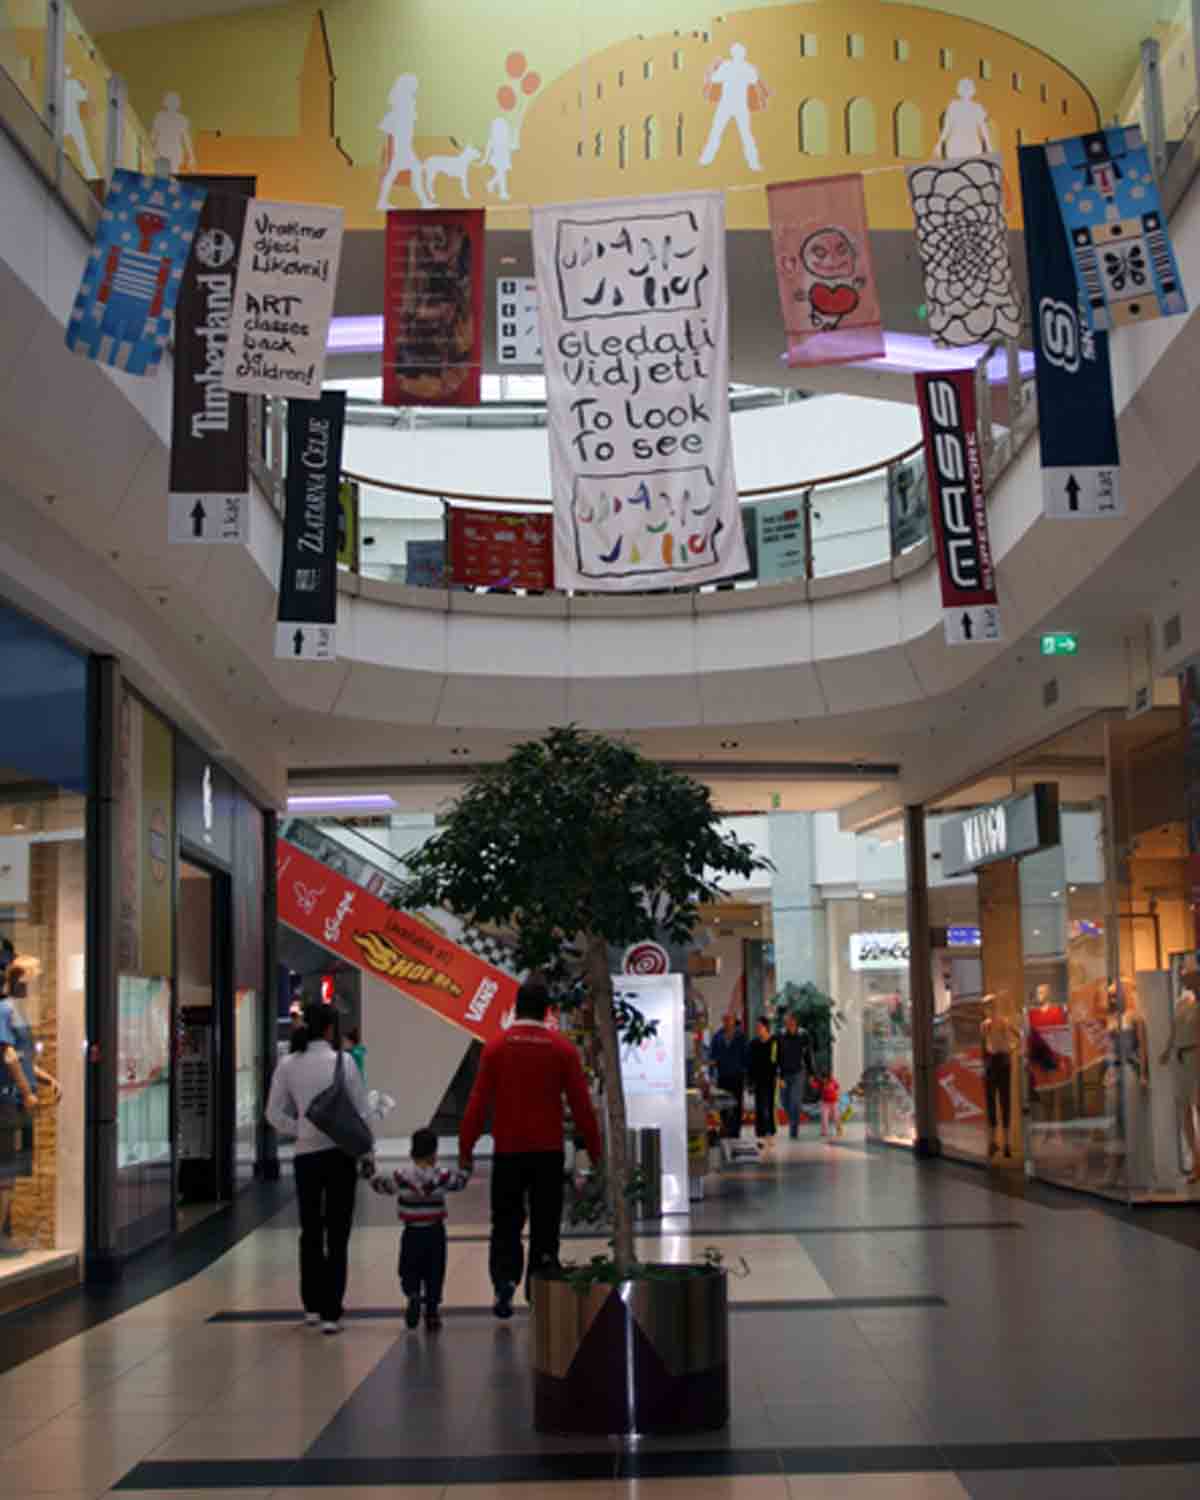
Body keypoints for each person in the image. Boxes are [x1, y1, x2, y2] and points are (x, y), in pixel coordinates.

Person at [460, 980, 602, 1320]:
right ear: (548, 1011)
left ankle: (504, 1282)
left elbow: (477, 1103)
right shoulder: (563, 1049)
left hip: (508, 1150)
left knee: (506, 1221)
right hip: (548, 1151)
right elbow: (582, 1107)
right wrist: (597, 1153)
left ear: (516, 1007)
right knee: (545, 1222)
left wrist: (466, 1147)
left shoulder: (496, 1047)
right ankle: (540, 1285)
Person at [265, 1002, 370, 1334]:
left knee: (310, 1231)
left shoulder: (287, 1065)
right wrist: (367, 1152)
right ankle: (331, 1312)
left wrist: (301, 1130)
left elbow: (272, 1113)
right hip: (340, 1156)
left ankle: (310, 1305)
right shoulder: (345, 1063)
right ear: (330, 1029)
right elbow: (362, 1113)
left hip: (305, 1157)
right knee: (337, 1233)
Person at [364, 1126, 470, 1332]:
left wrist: (369, 1171)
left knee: (408, 1269)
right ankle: (431, 1313)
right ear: (434, 1153)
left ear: (412, 1153)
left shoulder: (401, 1176)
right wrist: (466, 1168)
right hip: (435, 1234)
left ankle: (412, 1293)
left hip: (411, 1232)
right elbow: (460, 1183)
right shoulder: (443, 1176)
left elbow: (380, 1185)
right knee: (434, 1273)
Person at [0, 968, 61, 1254]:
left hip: (15, 1102)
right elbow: (8, 1055)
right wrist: (27, 1092)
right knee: (5, 1174)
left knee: (11, 1173)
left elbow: (21, 1058)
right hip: (7, 1102)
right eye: (32, 980)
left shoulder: (17, 1012)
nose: (36, 986)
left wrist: (46, 1079)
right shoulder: (5, 1009)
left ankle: (5, 1234)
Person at [698, 43, 763, 171]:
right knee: (745, 135)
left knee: (716, 132)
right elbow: (755, 79)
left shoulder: (727, 66)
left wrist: (715, 66)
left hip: (727, 105)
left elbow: (713, 79)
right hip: (738, 106)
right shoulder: (747, 67)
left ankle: (705, 160)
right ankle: (754, 164)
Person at [709, 1011, 748, 1140]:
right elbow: (712, 1057)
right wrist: (711, 1074)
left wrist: (746, 1072)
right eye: (725, 1020)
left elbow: (746, 1055)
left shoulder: (740, 1036)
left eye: (729, 1019)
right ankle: (726, 1128)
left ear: (733, 1020)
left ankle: (736, 1131)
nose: (727, 1022)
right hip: (723, 1075)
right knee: (723, 1104)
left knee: (737, 1105)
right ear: (722, 1021)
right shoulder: (717, 1036)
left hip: (737, 1075)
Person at [778, 1012, 814, 1140]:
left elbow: (808, 1055)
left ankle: (794, 1130)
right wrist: (778, 1075)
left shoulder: (803, 1035)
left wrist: (811, 1074)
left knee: (795, 1101)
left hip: (799, 1072)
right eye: (786, 1022)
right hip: (783, 1073)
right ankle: (794, 1119)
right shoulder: (780, 1035)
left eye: (790, 1022)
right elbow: (777, 1055)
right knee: (784, 1101)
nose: (788, 1024)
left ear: (795, 1022)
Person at [937, 78, 993, 159]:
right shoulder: (953, 105)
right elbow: (946, 127)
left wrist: (988, 145)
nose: (966, 90)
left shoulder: (977, 107)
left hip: (973, 147)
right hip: (955, 146)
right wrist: (939, 144)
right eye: (964, 88)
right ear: (959, 90)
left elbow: (983, 128)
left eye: (968, 88)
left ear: (972, 90)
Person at [748, 1018, 778, 1155]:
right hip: (758, 1080)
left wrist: (779, 1075)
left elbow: (776, 1059)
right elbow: (751, 1063)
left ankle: (770, 1133)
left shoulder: (774, 1042)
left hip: (770, 1079)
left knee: (769, 1106)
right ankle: (760, 1134)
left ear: (766, 1028)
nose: (758, 1029)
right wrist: (750, 1081)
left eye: (760, 1026)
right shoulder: (753, 1044)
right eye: (757, 1027)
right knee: (759, 1106)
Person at [819, 1072, 841, 1139]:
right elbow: (815, 1085)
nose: (824, 1080)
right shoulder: (821, 1083)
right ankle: (824, 1131)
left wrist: (837, 1095)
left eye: (825, 1078)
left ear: (828, 1078)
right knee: (824, 1117)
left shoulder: (833, 1082)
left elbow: (837, 1087)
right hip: (825, 1103)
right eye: (823, 1078)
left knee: (836, 1117)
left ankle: (839, 1129)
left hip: (834, 1102)